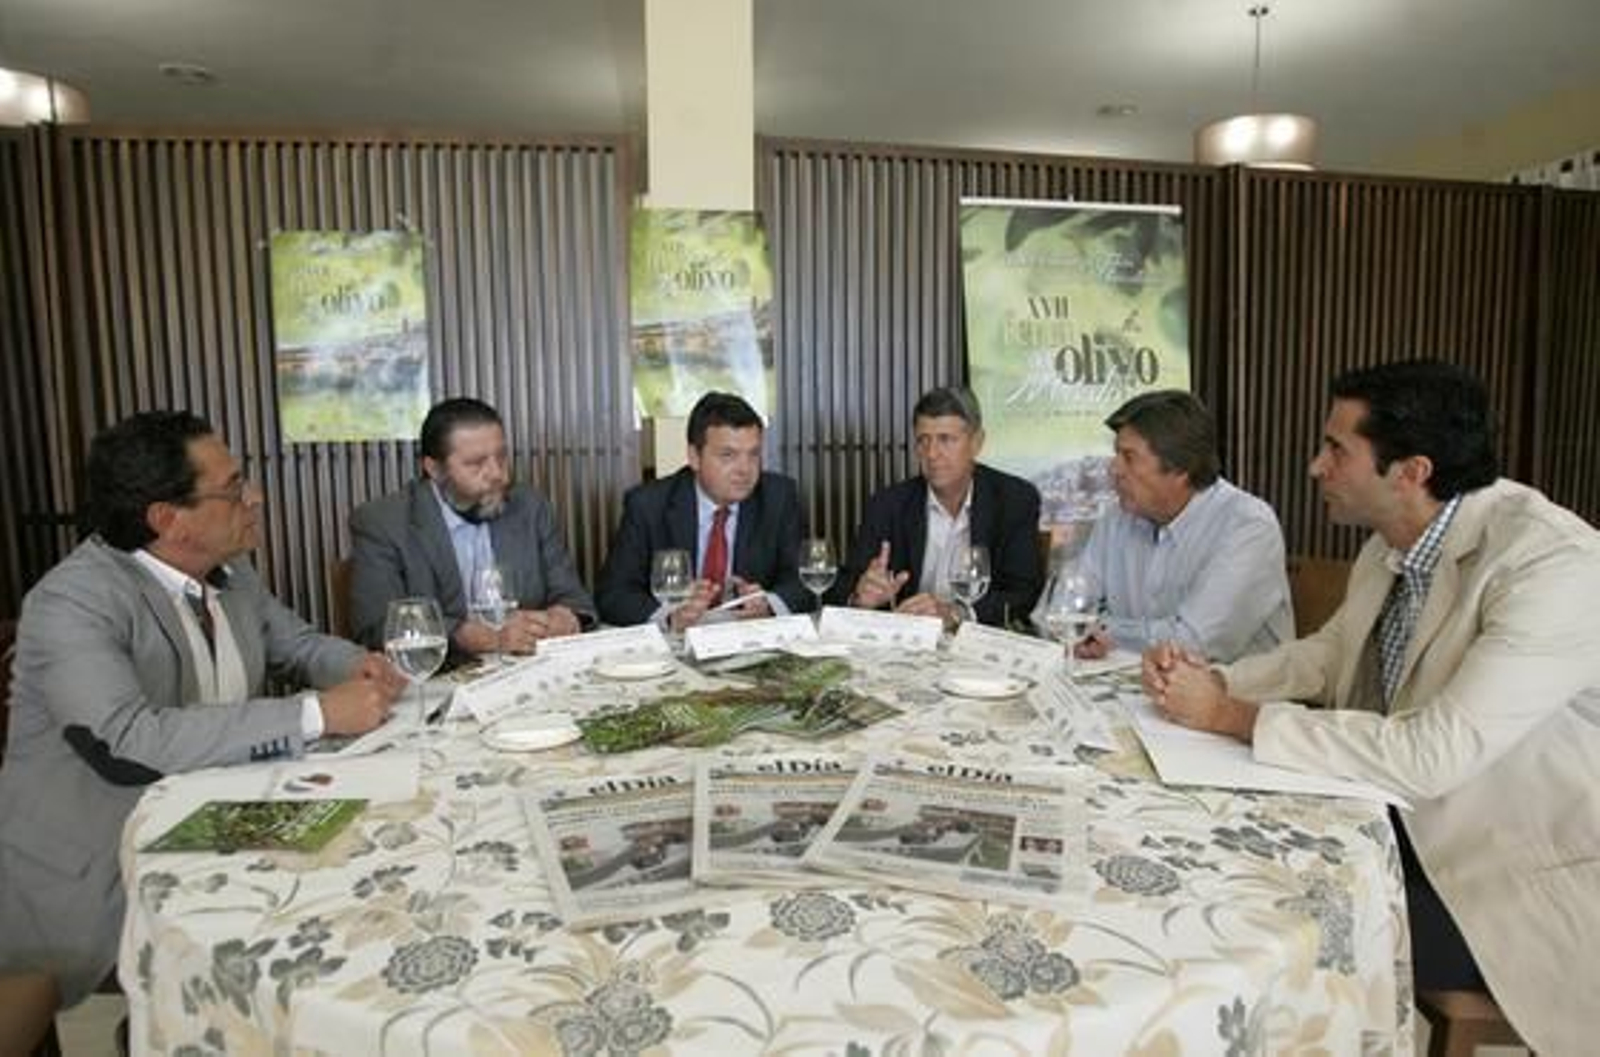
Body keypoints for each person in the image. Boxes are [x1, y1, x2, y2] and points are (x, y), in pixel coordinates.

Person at [1142, 360, 1600, 1057]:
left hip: (1504, 872)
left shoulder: (1554, 565)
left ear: (1411, 470)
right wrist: (1216, 677)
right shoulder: (1395, 543)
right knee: (1196, 866)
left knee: (1264, 925)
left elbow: (1429, 754)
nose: (1314, 464)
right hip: (1392, 824)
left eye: (1336, 449)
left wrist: (1228, 715)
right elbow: (1327, 655)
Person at [0, 411, 405, 1007]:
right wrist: (317, 713)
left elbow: (294, 643)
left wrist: (357, 664)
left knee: (368, 891)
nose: (255, 498)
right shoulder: (71, 601)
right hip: (108, 870)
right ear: (168, 520)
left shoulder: (230, 571)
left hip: (219, 827)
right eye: (235, 487)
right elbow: (126, 742)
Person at [349, 398, 595, 660]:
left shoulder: (529, 506)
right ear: (434, 469)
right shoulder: (383, 522)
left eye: (501, 456)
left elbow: (573, 597)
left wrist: (566, 616)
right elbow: (376, 628)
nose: (498, 474)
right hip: (438, 677)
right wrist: (482, 637)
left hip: (524, 668)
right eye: (476, 463)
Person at [1067, 389, 1292, 662]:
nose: (1113, 469)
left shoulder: (1248, 525)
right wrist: (1085, 628)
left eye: (1129, 457)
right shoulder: (1118, 518)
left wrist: (1105, 631)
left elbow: (1192, 643)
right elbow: (1066, 605)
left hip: (1234, 696)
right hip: (1134, 688)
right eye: (1116, 454)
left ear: (1180, 468)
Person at [596, 392, 807, 628]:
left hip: (749, 639)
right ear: (694, 457)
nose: (745, 469)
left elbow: (803, 581)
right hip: (678, 644)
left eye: (753, 454)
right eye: (728, 455)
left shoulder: (779, 497)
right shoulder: (648, 505)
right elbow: (613, 595)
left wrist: (768, 604)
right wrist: (670, 616)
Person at [838, 386, 1043, 627]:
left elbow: (1024, 593)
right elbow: (848, 584)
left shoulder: (1014, 499)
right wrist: (860, 598)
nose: (932, 453)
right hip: (906, 643)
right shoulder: (888, 504)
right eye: (923, 441)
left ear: (977, 442)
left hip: (979, 645)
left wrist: (957, 613)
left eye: (946, 440)